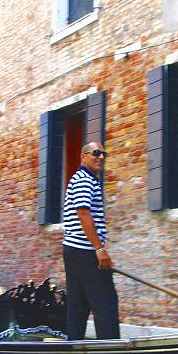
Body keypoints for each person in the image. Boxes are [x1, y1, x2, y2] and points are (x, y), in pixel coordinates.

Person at [61, 141, 120, 340]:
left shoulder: (84, 179)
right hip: (84, 249)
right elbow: (84, 213)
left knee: (79, 303)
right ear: (83, 156)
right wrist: (99, 249)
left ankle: (73, 346)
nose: (100, 157)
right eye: (95, 153)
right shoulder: (84, 179)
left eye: (104, 154)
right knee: (106, 302)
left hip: (74, 250)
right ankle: (111, 351)